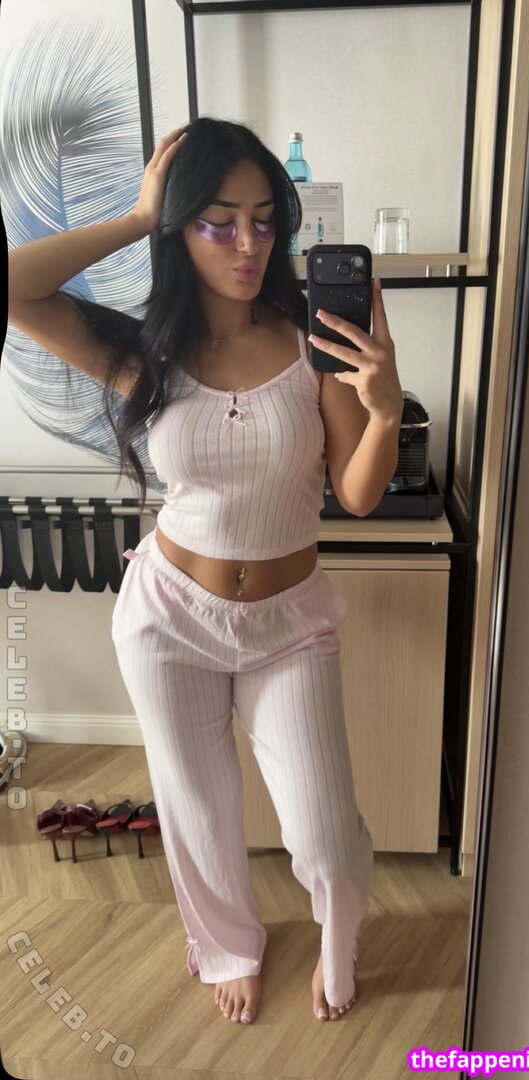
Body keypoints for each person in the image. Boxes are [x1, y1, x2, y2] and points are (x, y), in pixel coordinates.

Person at [7, 116, 378, 1027]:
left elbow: (358, 494)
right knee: (198, 809)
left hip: (290, 625)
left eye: (265, 220)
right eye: (219, 220)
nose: (249, 244)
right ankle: (229, 945)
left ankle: (339, 938)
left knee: (327, 836)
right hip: (169, 617)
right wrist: (139, 214)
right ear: (181, 228)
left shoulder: (316, 341)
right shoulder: (146, 352)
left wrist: (382, 402)